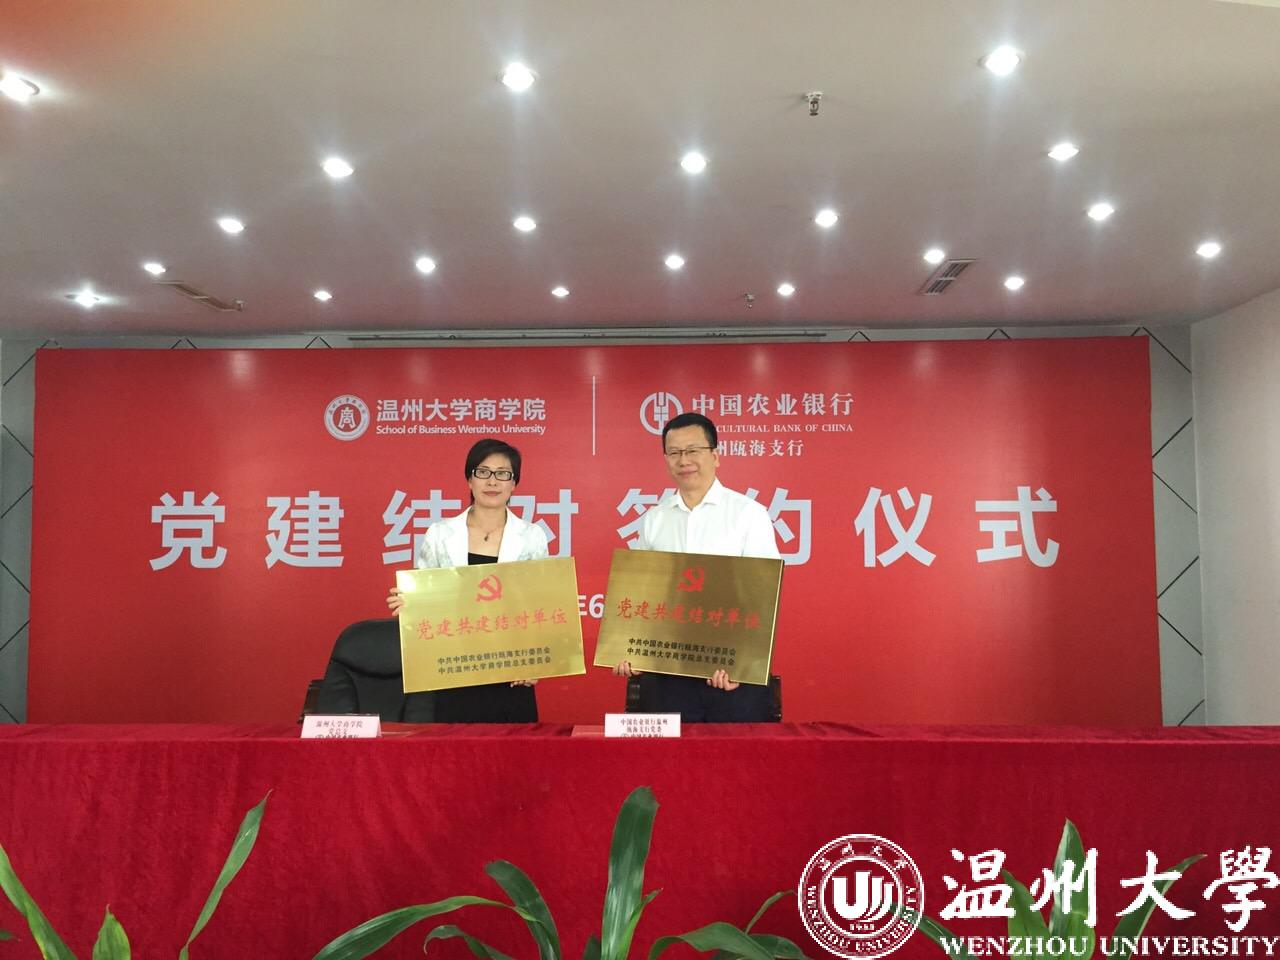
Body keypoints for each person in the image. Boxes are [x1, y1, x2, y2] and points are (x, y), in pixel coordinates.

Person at [612, 412, 781, 722]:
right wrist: (630, 650)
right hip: (667, 674)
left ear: (715, 455)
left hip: (729, 674)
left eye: (693, 450)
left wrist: (743, 665)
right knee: (666, 753)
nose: (684, 460)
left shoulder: (748, 514)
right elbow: (643, 594)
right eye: (674, 452)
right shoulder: (655, 519)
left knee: (732, 753)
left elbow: (761, 597)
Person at [387, 438, 548, 722]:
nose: (492, 481)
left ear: (514, 484)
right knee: (456, 747)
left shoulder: (532, 536)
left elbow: (539, 604)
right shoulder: (439, 534)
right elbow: (426, 600)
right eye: (483, 472)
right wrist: (409, 605)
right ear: (469, 479)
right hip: (455, 667)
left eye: (503, 474)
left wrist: (534, 662)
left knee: (514, 748)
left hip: (512, 670)